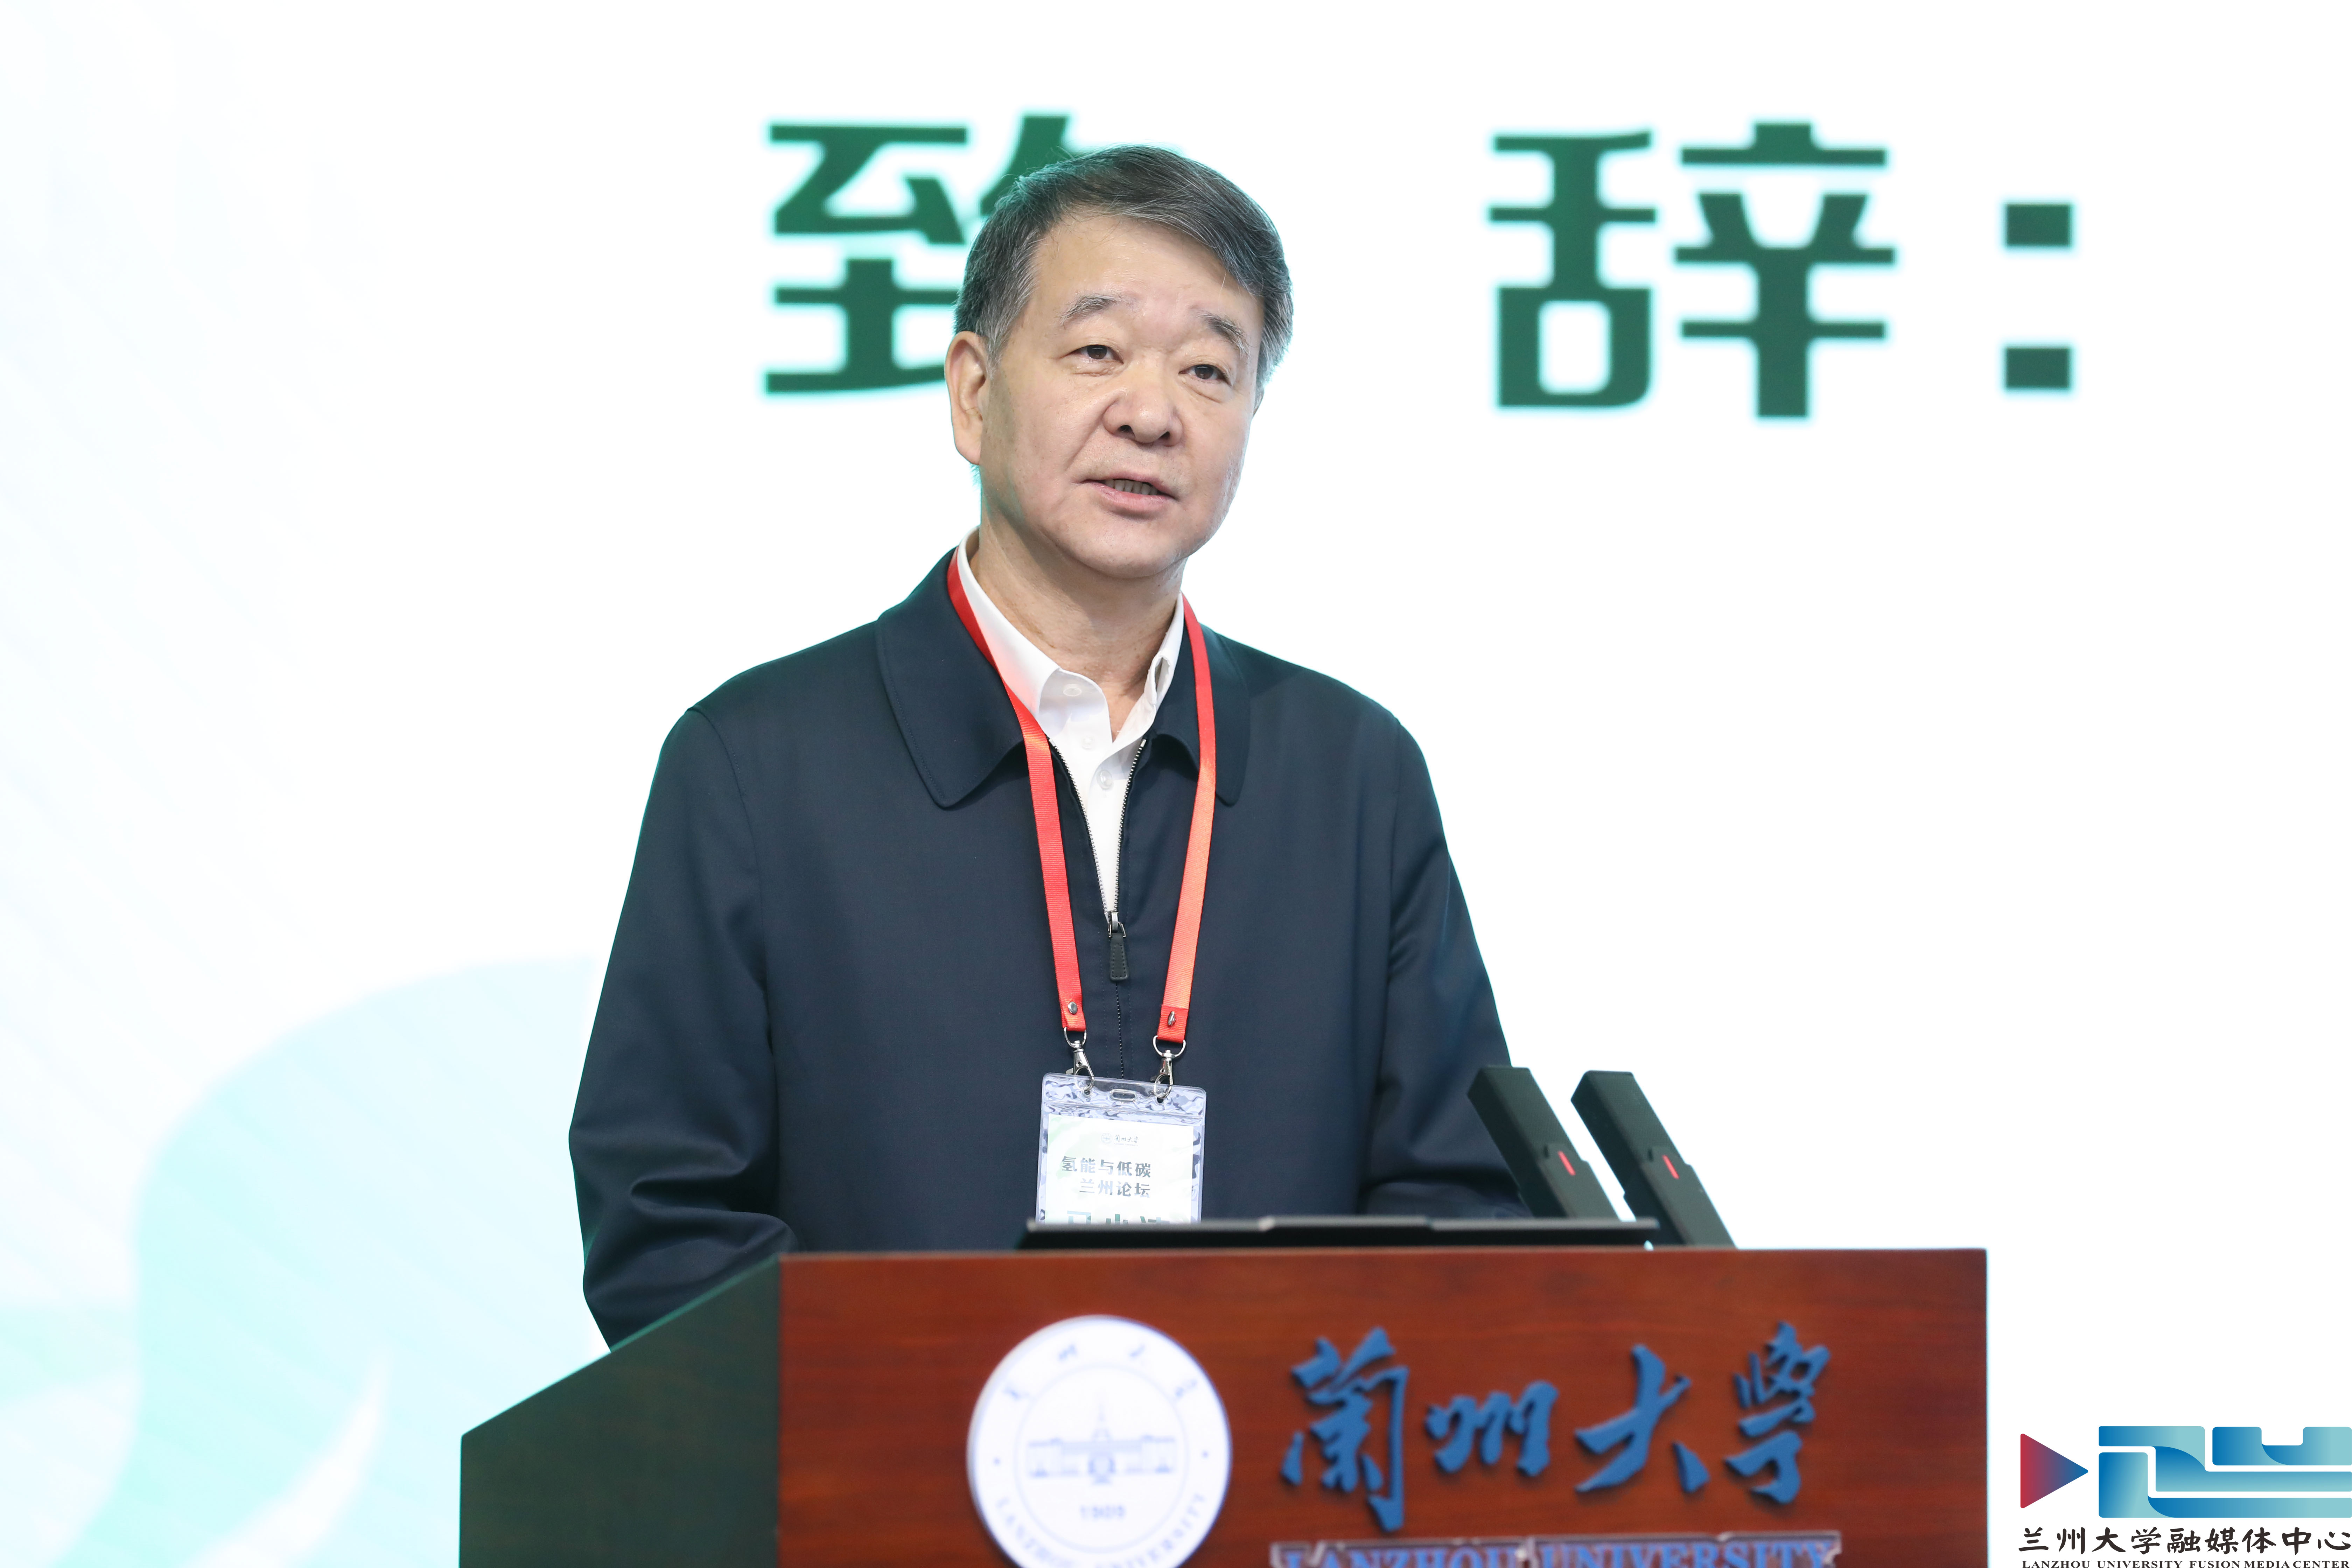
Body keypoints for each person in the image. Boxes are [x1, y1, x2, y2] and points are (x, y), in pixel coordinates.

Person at [569, 146, 1521, 1347]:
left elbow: (1459, 1211)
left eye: (1210, 369)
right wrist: (942, 1427)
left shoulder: (1352, 777)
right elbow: (668, 1224)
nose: (1152, 412)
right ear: (973, 393)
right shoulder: (758, 767)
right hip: (891, 1464)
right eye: (1098, 351)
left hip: (1267, 1459)